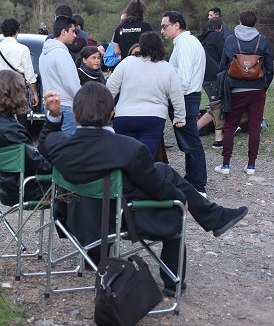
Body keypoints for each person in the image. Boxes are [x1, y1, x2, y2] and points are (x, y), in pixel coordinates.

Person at [38, 83, 249, 296]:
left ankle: (215, 217)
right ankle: (173, 280)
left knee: (161, 171)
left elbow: (44, 144)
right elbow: (156, 189)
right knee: (172, 204)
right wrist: (180, 197)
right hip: (118, 221)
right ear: (113, 112)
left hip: (74, 220)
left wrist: (54, 117)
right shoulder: (129, 148)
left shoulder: (58, 144)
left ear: (74, 113)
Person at [106, 32, 186, 159]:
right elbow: (177, 95)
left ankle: (125, 178)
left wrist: (107, 110)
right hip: (153, 117)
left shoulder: (127, 63)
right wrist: (179, 117)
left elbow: (110, 89)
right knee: (145, 159)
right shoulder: (167, 67)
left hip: (125, 116)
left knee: (125, 157)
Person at [215, 10, 274, 176]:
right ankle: (251, 166)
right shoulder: (263, 41)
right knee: (254, 127)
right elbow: (269, 68)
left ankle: (226, 165)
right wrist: (263, 86)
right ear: (254, 23)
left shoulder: (231, 40)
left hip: (235, 89)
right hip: (257, 90)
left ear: (240, 22)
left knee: (230, 126)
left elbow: (223, 67)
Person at [0, 70, 51, 206]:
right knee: (73, 187)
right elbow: (39, 165)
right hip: (26, 190)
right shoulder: (9, 129)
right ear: (15, 94)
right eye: (23, 90)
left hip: (6, 188)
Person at [160, 11, 208, 196]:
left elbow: (184, 79)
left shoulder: (187, 44)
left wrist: (175, 101)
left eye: (165, 26)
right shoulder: (183, 43)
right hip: (185, 97)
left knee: (191, 142)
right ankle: (193, 181)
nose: (162, 30)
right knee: (188, 142)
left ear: (177, 25)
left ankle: (198, 186)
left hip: (185, 98)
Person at [39, 15, 81, 134]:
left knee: (54, 146)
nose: (75, 35)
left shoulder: (44, 54)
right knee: (67, 148)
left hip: (50, 105)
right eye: (73, 31)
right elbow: (71, 84)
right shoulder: (62, 54)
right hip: (65, 107)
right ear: (63, 32)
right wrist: (82, 101)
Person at [0, 18, 39, 118]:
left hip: (2, 87)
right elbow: (29, 75)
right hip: (18, 87)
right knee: (20, 119)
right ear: (17, 31)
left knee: (3, 117)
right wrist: (34, 93)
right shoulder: (23, 49)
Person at [197, 17, 226, 148]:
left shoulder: (200, 39)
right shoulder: (218, 37)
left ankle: (195, 129)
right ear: (220, 27)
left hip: (204, 76)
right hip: (215, 76)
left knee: (216, 105)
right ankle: (218, 139)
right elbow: (224, 56)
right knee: (217, 106)